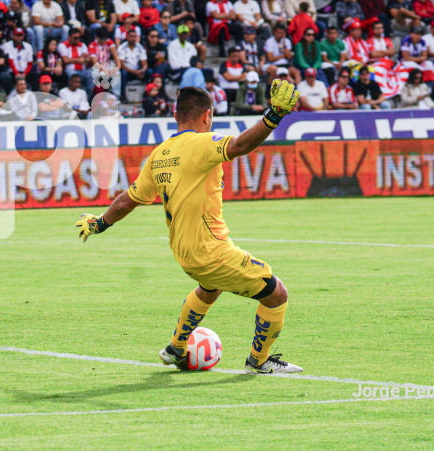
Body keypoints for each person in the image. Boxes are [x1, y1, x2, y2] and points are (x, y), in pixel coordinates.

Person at [75, 81, 304, 375]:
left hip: (184, 254)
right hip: (212, 251)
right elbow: (240, 145)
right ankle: (258, 362)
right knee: (277, 294)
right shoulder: (202, 142)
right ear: (207, 116)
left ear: (174, 115)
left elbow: (127, 200)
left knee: (210, 289)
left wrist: (99, 223)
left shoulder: (159, 155)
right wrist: (274, 115)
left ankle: (175, 348)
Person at [118, 28, 148, 95]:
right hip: (127, 72)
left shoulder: (140, 47)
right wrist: (135, 72)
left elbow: (144, 63)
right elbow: (122, 65)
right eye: (131, 36)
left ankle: (147, 94)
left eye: (135, 36)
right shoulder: (122, 47)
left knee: (149, 72)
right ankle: (123, 95)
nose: (133, 38)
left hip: (137, 71)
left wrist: (142, 70)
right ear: (127, 37)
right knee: (123, 73)